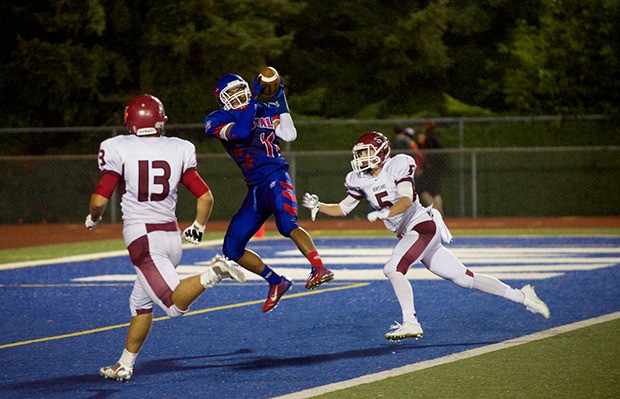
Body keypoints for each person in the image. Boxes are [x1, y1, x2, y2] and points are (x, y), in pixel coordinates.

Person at [301, 131, 550, 341]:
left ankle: (411, 322)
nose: (361, 157)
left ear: (380, 151)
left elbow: (407, 200)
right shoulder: (357, 179)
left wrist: (384, 212)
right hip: (409, 234)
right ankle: (522, 295)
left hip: (421, 226)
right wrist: (319, 205)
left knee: (393, 268)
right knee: (465, 278)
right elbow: (343, 208)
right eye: (360, 153)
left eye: (365, 151)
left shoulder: (397, 164)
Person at [86, 94, 246, 382]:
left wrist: (94, 218)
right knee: (140, 304)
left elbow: (99, 200)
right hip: (171, 237)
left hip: (142, 237)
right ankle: (124, 364)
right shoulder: (178, 147)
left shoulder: (118, 147)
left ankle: (214, 273)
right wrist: (198, 225)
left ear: (129, 119)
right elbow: (205, 196)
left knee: (172, 307)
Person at [203, 72, 334, 313]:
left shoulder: (264, 109)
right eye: (230, 92)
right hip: (255, 188)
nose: (237, 94)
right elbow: (240, 133)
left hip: (275, 176)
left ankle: (318, 267)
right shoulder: (217, 118)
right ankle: (276, 281)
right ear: (222, 99)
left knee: (287, 224)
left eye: (240, 89)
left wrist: (281, 97)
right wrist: (253, 98)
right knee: (232, 249)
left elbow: (289, 134)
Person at [415, 121, 447, 214]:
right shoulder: (433, 137)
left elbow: (435, 152)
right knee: (432, 190)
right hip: (432, 168)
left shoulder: (431, 137)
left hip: (432, 168)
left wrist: (422, 143)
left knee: (424, 189)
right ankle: (436, 212)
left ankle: (436, 212)